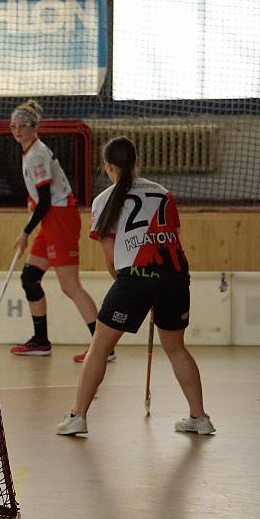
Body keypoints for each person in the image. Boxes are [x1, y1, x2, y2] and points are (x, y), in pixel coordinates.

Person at [56, 136, 215, 436]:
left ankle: (78, 416)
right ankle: (200, 417)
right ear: (137, 162)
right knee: (177, 348)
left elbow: (111, 261)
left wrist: (135, 292)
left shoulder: (104, 200)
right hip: (176, 276)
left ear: (108, 167)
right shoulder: (163, 193)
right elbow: (173, 239)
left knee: (100, 345)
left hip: (137, 276)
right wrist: (156, 291)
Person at [8, 100, 111, 361]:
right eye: (13, 126)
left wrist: (25, 232)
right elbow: (41, 199)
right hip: (51, 218)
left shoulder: (37, 154)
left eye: (22, 126)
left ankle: (103, 347)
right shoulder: (30, 152)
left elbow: (45, 200)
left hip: (60, 218)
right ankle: (41, 341)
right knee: (30, 277)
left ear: (34, 128)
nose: (17, 130)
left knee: (71, 286)